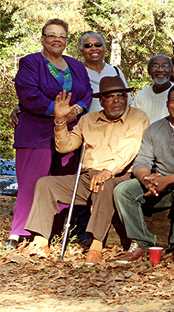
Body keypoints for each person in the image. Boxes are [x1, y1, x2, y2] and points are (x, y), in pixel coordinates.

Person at [18, 77, 143, 262]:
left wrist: (108, 171)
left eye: (121, 95)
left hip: (119, 175)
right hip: (87, 177)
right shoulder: (89, 119)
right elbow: (65, 146)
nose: (117, 100)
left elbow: (130, 148)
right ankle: (41, 240)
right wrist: (60, 121)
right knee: (46, 184)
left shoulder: (137, 116)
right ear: (101, 101)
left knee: (104, 185)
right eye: (110, 97)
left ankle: (96, 244)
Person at [9, 19, 93, 248]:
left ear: (67, 40)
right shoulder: (30, 63)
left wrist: (75, 110)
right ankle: (17, 233)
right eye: (51, 35)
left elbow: (87, 93)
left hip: (69, 132)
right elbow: (28, 94)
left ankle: (50, 231)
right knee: (31, 183)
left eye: (62, 36)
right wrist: (56, 112)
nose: (57, 40)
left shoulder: (76, 66)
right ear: (43, 38)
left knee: (61, 181)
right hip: (35, 132)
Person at [110, 85, 174, 264]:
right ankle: (142, 242)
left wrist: (168, 180)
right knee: (123, 190)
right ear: (167, 104)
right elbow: (142, 162)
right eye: (173, 100)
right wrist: (146, 179)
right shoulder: (155, 128)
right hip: (160, 183)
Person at [74, 31, 123, 97]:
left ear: (104, 48)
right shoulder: (76, 74)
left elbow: (127, 102)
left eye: (98, 45)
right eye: (88, 46)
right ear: (82, 51)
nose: (93, 48)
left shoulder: (115, 72)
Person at [130, 54, 174, 123]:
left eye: (165, 66)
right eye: (155, 66)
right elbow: (134, 120)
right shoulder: (141, 95)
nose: (160, 70)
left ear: (171, 70)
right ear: (148, 71)